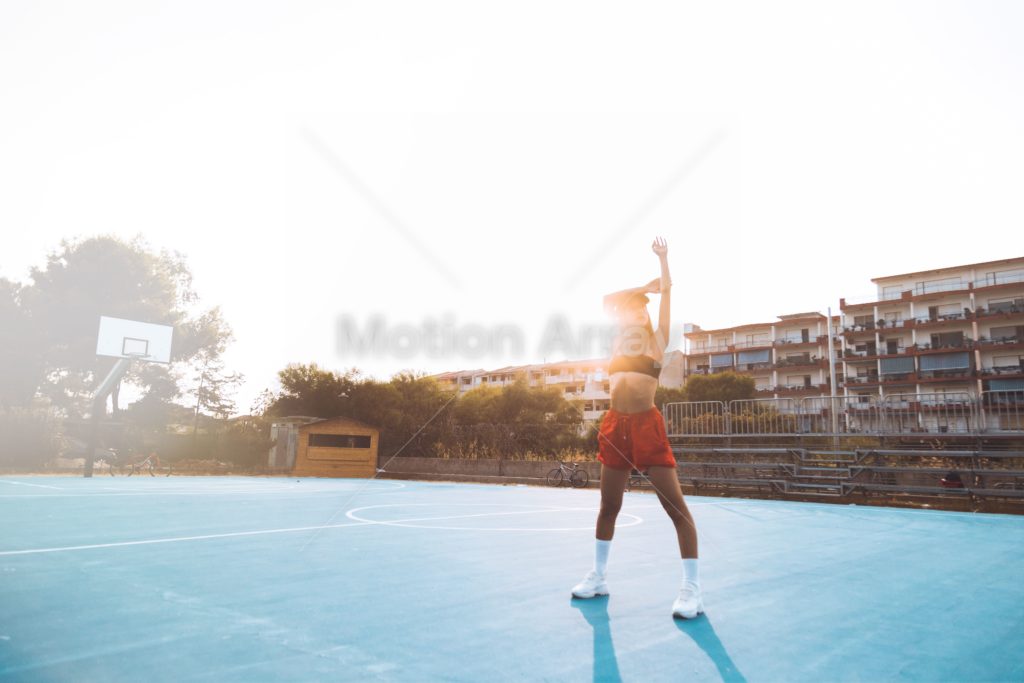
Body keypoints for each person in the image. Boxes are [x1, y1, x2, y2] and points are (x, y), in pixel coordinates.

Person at [571, 236, 704, 619]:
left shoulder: (657, 341)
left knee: (676, 509)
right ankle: (598, 577)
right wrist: (640, 289)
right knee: (608, 506)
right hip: (615, 426)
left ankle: (691, 590)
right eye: (633, 311)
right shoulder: (616, 340)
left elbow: (667, 298)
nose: (638, 314)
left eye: (642, 311)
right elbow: (606, 299)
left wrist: (662, 266)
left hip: (646, 425)